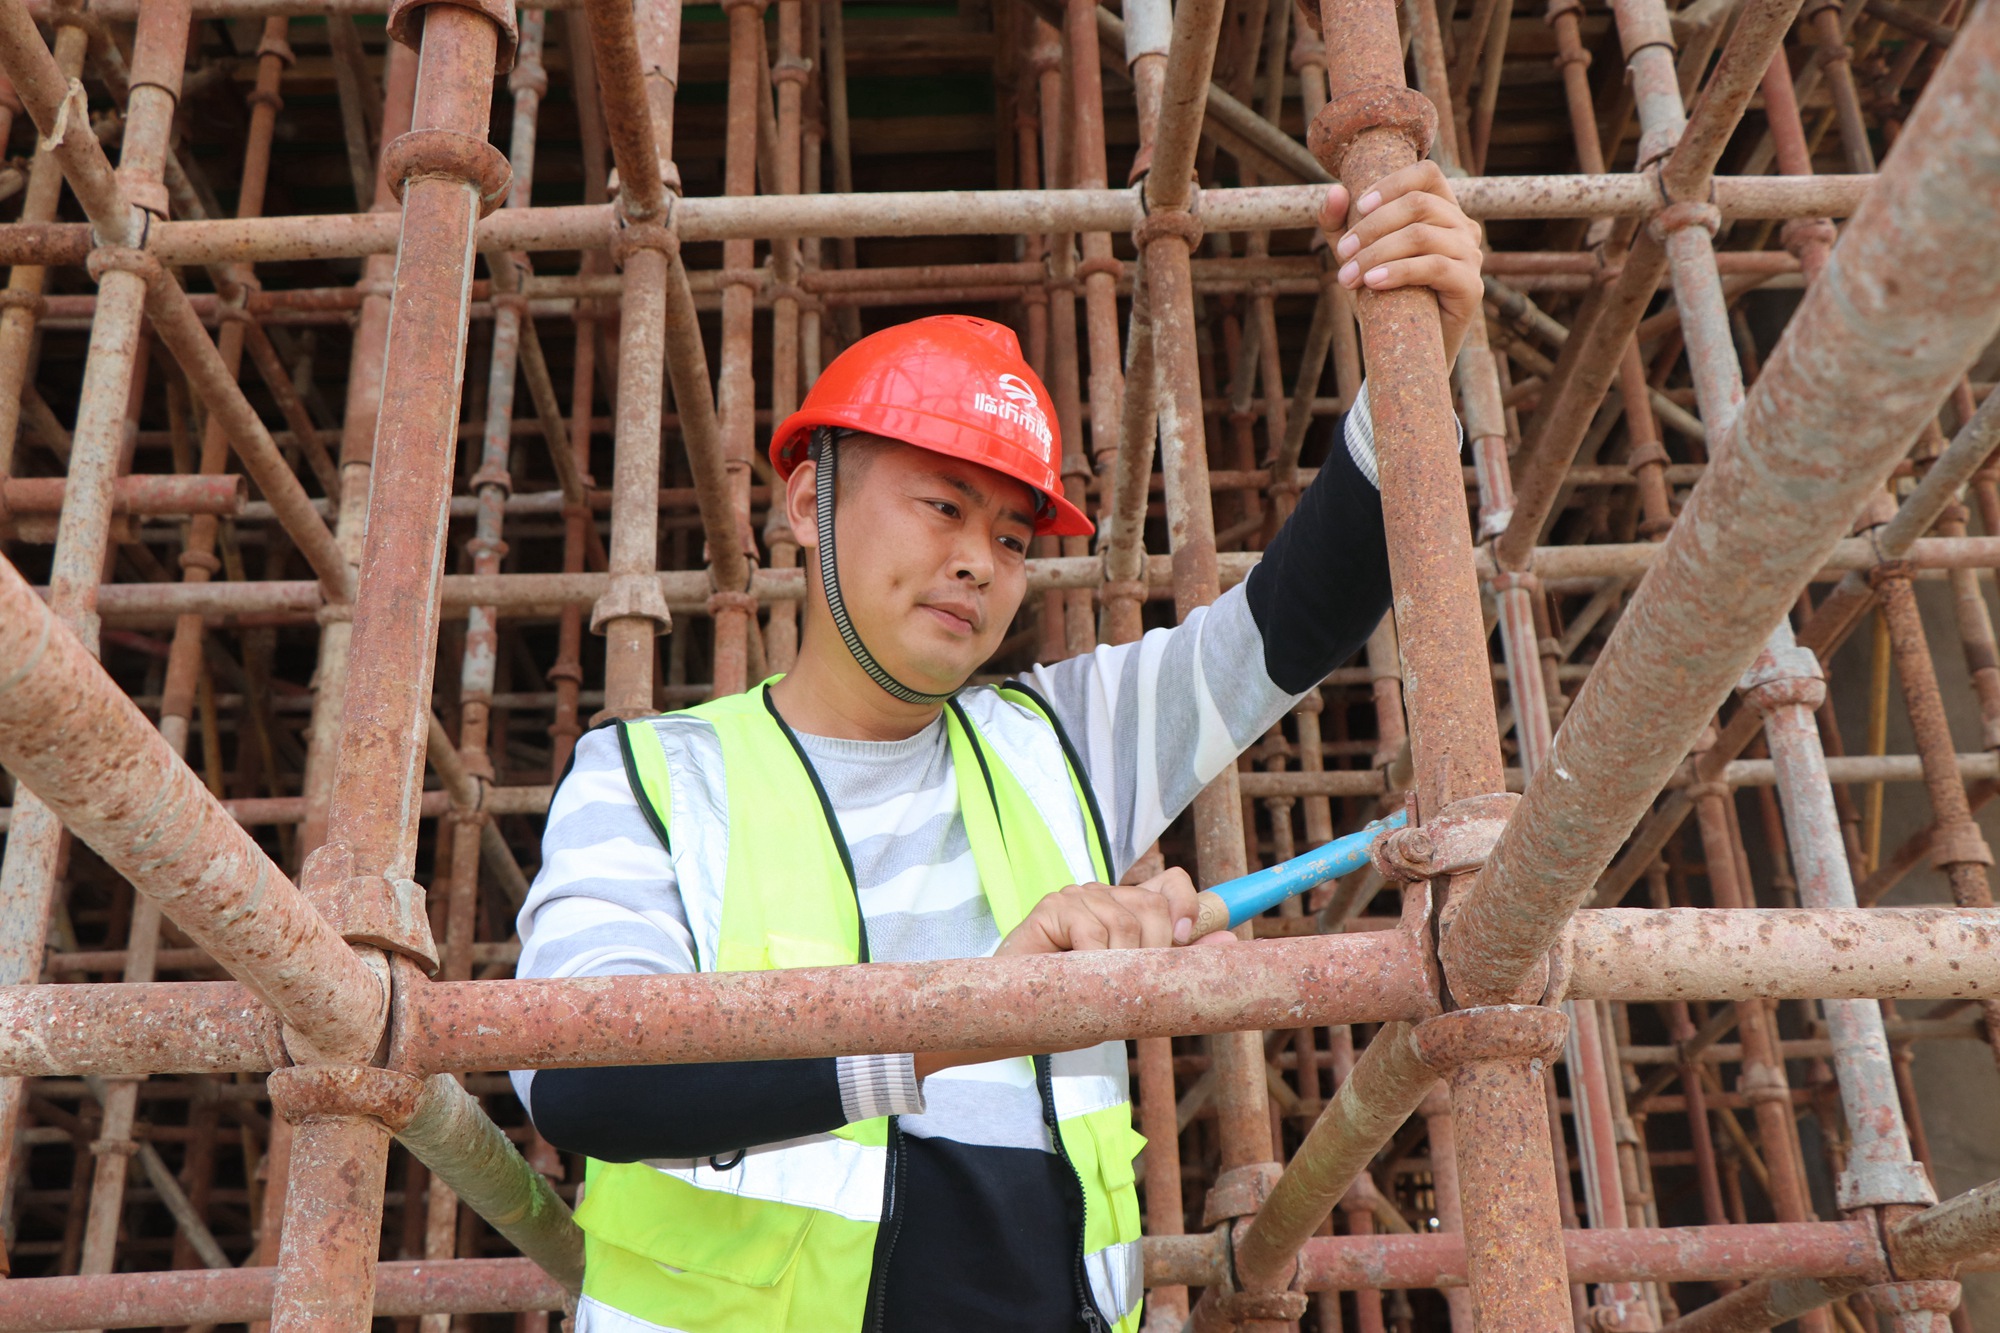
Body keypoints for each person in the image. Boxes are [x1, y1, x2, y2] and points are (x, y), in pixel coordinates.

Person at [512, 164, 1485, 1333]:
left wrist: (1418, 357)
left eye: (1012, 534)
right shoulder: (655, 778)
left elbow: (1297, 616)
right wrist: (975, 1015)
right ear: (804, 500)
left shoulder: (1058, 742)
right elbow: (575, 1080)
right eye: (940, 506)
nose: (979, 558)